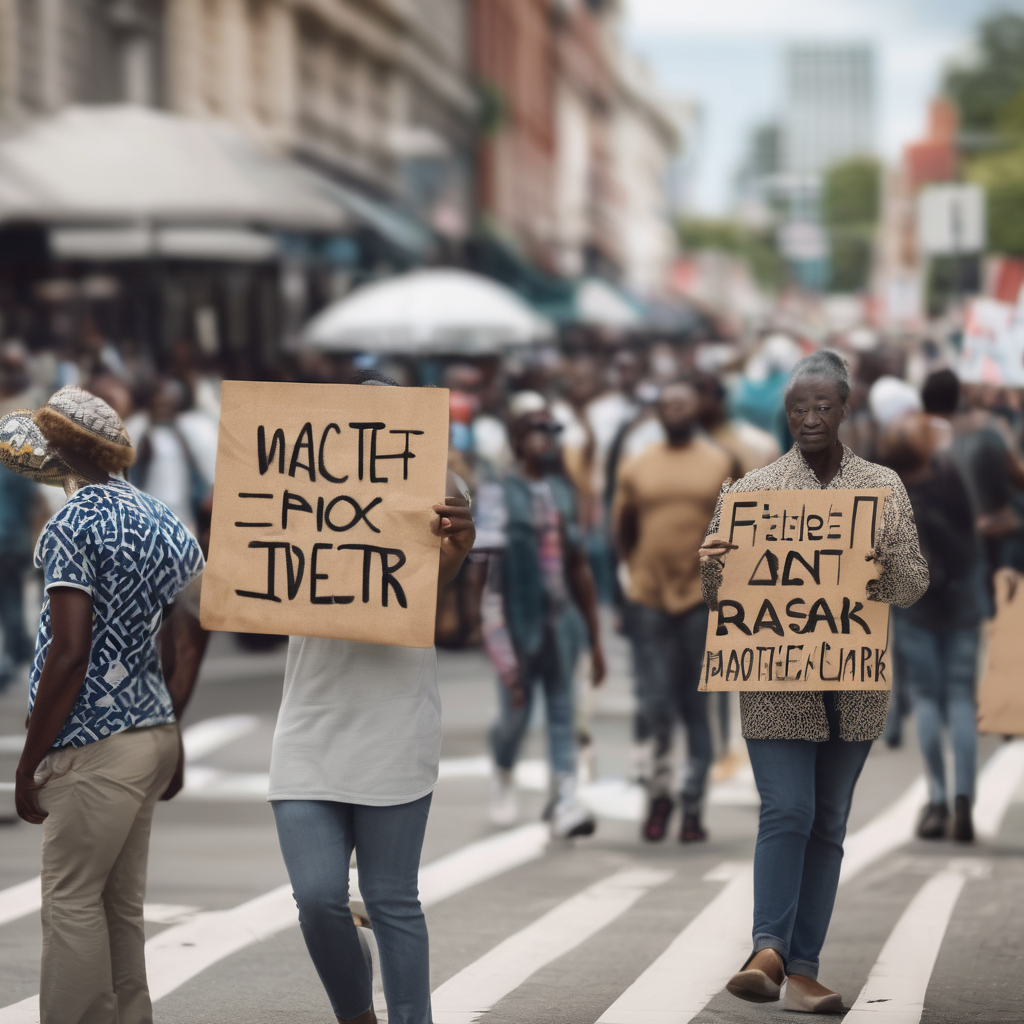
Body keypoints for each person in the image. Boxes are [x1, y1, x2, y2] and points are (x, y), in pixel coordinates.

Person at [701, 351, 927, 1013]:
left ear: (845, 408)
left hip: (852, 685)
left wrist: (883, 564)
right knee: (789, 809)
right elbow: (722, 601)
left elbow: (913, 586)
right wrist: (713, 566)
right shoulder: (750, 492)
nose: (808, 418)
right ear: (785, 412)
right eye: (797, 407)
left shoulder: (882, 488)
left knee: (828, 821)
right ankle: (766, 946)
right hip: (777, 680)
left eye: (822, 406)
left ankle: (801, 969)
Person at [268, 370, 477, 1024]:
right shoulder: (297, 488)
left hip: (394, 723)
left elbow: (435, 585)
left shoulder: (441, 492)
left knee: (391, 898)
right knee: (317, 896)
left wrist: (459, 541)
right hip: (310, 722)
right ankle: (356, 1013)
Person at [8, 385, 205, 1024]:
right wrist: (172, 727)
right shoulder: (161, 516)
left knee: (70, 901)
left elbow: (68, 652)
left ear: (60, 448)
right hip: (149, 731)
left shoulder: (73, 524)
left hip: (91, 738)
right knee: (118, 905)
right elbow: (191, 631)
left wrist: (29, 759)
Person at [474, 393, 606, 838]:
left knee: (563, 711)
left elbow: (578, 565)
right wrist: (491, 633)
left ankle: (567, 799)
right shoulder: (496, 492)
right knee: (515, 712)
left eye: (555, 431)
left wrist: (595, 637)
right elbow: (485, 572)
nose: (548, 439)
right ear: (519, 439)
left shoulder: (565, 491)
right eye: (538, 430)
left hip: (560, 622)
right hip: (514, 620)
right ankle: (504, 771)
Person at [613, 381, 733, 842]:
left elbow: (738, 528)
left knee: (696, 706)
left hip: (702, 601)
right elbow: (623, 529)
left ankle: (693, 804)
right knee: (656, 703)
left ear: (696, 409)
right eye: (666, 404)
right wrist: (631, 579)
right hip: (648, 598)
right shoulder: (639, 465)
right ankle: (659, 795)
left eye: (682, 402)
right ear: (658, 412)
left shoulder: (720, 463)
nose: (674, 409)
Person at [878, 413, 984, 841]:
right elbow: (974, 537)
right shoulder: (952, 481)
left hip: (915, 605)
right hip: (961, 599)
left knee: (925, 700)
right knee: (960, 699)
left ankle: (937, 798)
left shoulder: (888, 494)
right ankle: (964, 798)